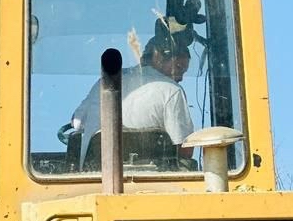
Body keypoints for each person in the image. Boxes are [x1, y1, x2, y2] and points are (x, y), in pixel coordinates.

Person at [67, 21, 196, 166]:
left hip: (92, 177)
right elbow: (185, 149)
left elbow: (77, 123)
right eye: (179, 68)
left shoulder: (106, 81)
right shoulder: (171, 91)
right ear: (157, 57)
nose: (180, 78)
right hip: (154, 181)